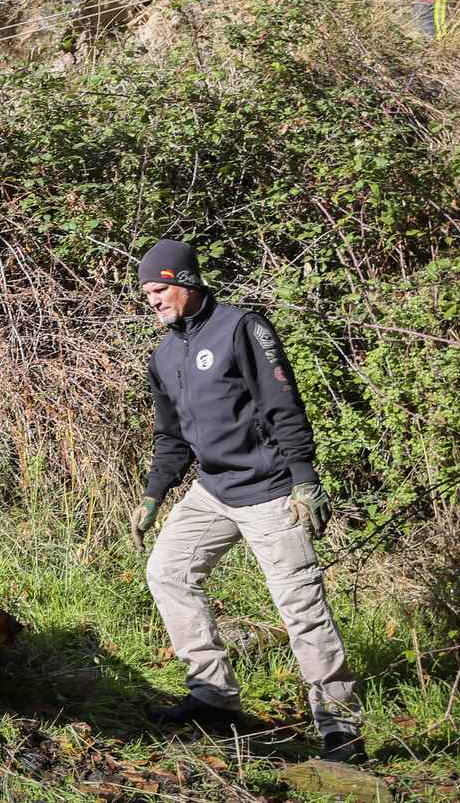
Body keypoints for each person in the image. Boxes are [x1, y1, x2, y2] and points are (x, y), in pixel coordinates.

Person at [131, 240, 364, 764]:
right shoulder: (165, 354)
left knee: (300, 608)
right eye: (145, 292)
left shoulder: (242, 329)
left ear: (186, 282)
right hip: (210, 491)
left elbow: (284, 406)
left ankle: (339, 726)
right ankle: (213, 696)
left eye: (159, 288)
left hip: (270, 491)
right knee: (166, 572)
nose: (152, 300)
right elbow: (170, 438)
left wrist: (304, 479)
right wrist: (153, 494)